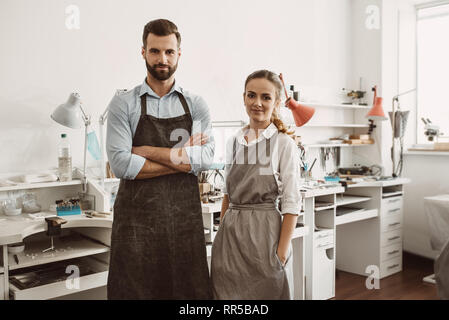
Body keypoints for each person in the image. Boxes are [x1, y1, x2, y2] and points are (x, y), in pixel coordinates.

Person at [106, 19, 214, 299]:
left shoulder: (196, 104)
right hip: (135, 226)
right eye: (154, 51)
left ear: (179, 53)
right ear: (143, 52)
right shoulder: (123, 103)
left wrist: (147, 151)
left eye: (169, 51)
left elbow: (205, 159)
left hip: (185, 224)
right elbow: (121, 164)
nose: (162, 59)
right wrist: (182, 162)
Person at [211, 70, 301, 299]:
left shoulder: (283, 144)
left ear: (277, 103)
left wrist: (280, 254)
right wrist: (222, 233)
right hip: (230, 243)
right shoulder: (233, 141)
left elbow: (292, 204)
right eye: (251, 95)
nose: (257, 103)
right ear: (244, 98)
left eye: (266, 97)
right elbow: (227, 195)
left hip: (265, 239)